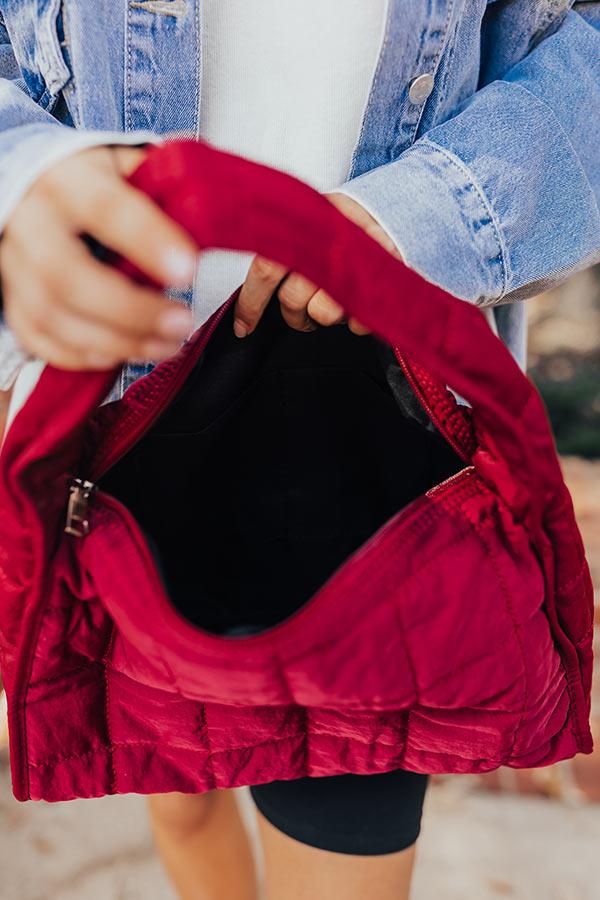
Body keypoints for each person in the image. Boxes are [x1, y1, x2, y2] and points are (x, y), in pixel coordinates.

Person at [0, 3, 598, 899]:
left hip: (378, 437)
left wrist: (430, 213)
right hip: (118, 417)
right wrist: (20, 179)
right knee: (182, 795)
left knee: (341, 821)